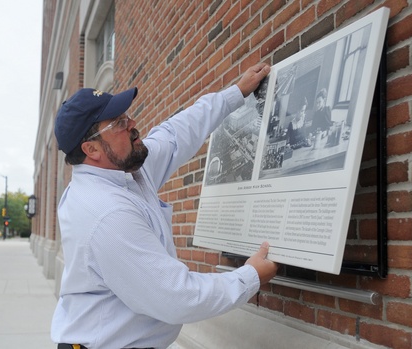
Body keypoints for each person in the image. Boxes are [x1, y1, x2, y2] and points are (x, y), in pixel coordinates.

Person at [52, 63, 278, 349]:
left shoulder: (126, 169)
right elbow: (177, 297)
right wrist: (250, 277)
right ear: (92, 150)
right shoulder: (106, 214)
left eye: (125, 116)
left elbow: (174, 134)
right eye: (119, 123)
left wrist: (234, 94)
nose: (132, 124)